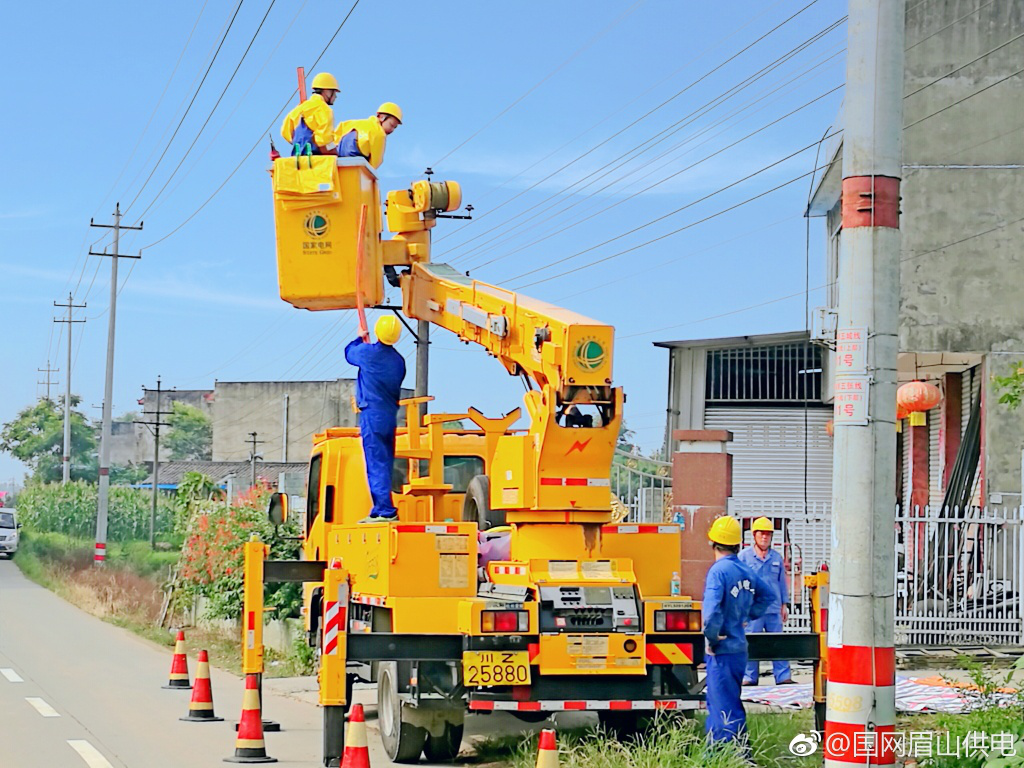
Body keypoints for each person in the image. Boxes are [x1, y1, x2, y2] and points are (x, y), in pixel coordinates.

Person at [703, 515, 771, 747]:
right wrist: (747, 615)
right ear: (738, 543)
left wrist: (712, 637)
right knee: (728, 700)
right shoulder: (745, 570)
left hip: (721, 650)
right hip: (739, 649)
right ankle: (722, 753)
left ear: (713, 542)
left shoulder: (718, 572)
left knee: (722, 706)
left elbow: (711, 613)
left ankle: (730, 755)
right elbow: (768, 596)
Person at [344, 315, 406, 521]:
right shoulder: (399, 361)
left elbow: (349, 354)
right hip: (389, 415)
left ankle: (385, 511)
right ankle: (380, 508)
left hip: (373, 414)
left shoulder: (368, 353)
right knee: (385, 462)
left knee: (375, 462)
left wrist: (359, 338)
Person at [739, 517, 795, 686]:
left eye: (768, 534)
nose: (764, 537)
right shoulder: (744, 557)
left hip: (773, 609)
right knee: (751, 643)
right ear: (754, 536)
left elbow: (781, 583)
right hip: (753, 610)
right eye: (761, 534)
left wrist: (784, 605)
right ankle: (749, 677)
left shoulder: (776, 558)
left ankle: (783, 676)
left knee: (777, 643)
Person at [280, 72, 341, 156]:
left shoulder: (299, 108)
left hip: (298, 160)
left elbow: (285, 132)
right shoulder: (324, 109)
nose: (335, 97)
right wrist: (337, 154)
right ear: (327, 91)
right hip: (316, 161)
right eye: (334, 92)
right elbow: (323, 142)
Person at [335, 102, 403, 169]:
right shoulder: (380, 134)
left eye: (395, 127)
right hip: (354, 167)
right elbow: (376, 163)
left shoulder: (355, 123)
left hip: (336, 163)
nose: (392, 130)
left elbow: (336, 134)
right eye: (392, 125)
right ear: (382, 118)